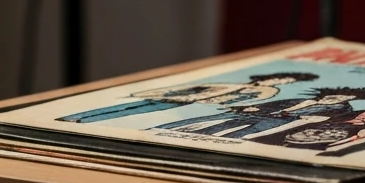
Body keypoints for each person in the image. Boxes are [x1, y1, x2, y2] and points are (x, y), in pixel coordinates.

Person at [57, 72, 318, 124]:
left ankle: (82, 121)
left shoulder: (266, 93)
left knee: (131, 113)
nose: (278, 83)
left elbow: (229, 101)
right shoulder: (231, 79)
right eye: (279, 79)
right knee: (128, 105)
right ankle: (76, 118)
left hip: (186, 104)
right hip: (174, 94)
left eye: (284, 83)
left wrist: (212, 102)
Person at [155, 87, 365, 140]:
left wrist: (307, 118)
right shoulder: (300, 98)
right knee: (204, 121)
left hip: (271, 122)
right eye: (333, 96)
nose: (336, 99)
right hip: (259, 114)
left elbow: (331, 119)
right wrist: (252, 107)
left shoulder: (342, 109)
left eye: (340, 98)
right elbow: (274, 103)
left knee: (231, 133)